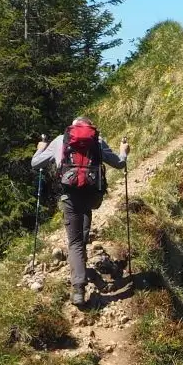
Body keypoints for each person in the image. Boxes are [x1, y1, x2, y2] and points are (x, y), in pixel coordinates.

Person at [31, 118, 128, 305]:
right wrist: (124, 152)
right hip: (91, 196)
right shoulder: (97, 141)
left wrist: (41, 147)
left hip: (70, 196)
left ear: (72, 127)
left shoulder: (61, 140)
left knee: (75, 243)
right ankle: (87, 274)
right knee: (80, 240)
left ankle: (78, 289)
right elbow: (119, 164)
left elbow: (36, 163)